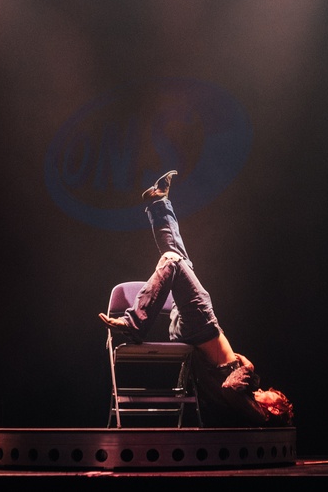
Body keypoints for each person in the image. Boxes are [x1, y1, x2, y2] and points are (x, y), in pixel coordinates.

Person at [99, 170, 294, 427]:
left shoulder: (259, 413)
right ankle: (159, 202)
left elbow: (228, 388)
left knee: (173, 261)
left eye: (273, 394)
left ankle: (134, 323)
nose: (267, 390)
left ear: (276, 409)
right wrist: (247, 369)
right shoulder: (252, 397)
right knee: (178, 258)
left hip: (202, 327)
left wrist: (248, 368)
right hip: (191, 330)